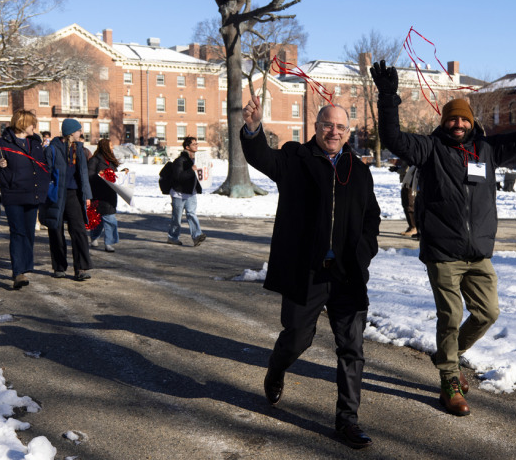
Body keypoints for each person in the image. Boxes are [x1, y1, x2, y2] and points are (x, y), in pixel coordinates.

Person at [372, 58, 516, 417]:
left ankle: (448, 356)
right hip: (443, 252)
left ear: (471, 123)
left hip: (479, 252)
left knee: (488, 313)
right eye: (452, 118)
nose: (458, 124)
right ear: (444, 121)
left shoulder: (487, 150)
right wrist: (388, 97)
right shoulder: (429, 150)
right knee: (451, 315)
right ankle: (449, 378)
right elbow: (392, 138)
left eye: (464, 119)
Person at [240, 96, 380, 449]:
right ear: (315, 127)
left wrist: (363, 253)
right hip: (307, 272)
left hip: (347, 274)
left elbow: (371, 218)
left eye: (340, 127)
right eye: (327, 125)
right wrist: (254, 129)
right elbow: (260, 156)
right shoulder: (293, 158)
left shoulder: (358, 170)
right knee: (297, 337)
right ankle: (276, 369)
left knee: (352, 348)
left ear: (348, 133)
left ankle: (347, 420)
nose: (333, 131)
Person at [0, 110, 49, 290]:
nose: (34, 127)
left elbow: (43, 166)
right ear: (23, 123)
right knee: (18, 231)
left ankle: (25, 265)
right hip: (13, 194)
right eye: (32, 123)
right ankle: (18, 272)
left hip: (33, 193)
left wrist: (45, 183)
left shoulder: (35, 142)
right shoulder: (3, 143)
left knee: (29, 232)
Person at [44, 119, 94, 281]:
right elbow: (47, 173)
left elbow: (84, 174)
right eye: (79, 130)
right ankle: (59, 267)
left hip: (74, 194)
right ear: (71, 132)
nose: (81, 133)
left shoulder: (80, 149)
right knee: (56, 230)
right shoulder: (52, 149)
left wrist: (87, 195)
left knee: (78, 230)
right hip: (57, 194)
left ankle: (81, 268)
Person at [166, 136, 206, 247]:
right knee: (177, 218)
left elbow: (199, 175)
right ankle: (173, 237)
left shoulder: (196, 160)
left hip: (191, 193)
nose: (197, 146)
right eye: (194, 144)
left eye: (197, 143)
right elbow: (178, 177)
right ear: (187, 147)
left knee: (192, 214)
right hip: (179, 193)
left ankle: (197, 236)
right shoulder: (180, 161)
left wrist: (206, 168)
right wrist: (191, 170)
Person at [87, 138, 122, 252]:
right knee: (109, 219)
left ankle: (94, 237)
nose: (112, 147)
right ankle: (109, 243)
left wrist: (123, 173)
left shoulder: (111, 161)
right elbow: (89, 175)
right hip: (99, 195)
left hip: (110, 194)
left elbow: (114, 175)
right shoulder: (94, 160)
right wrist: (99, 175)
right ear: (105, 147)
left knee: (101, 219)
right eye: (111, 145)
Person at [398, 162, 419, 237]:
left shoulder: (410, 157)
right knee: (406, 204)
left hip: (410, 183)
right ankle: (412, 226)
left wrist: (397, 169)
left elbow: (406, 170)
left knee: (409, 205)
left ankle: (414, 227)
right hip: (407, 183)